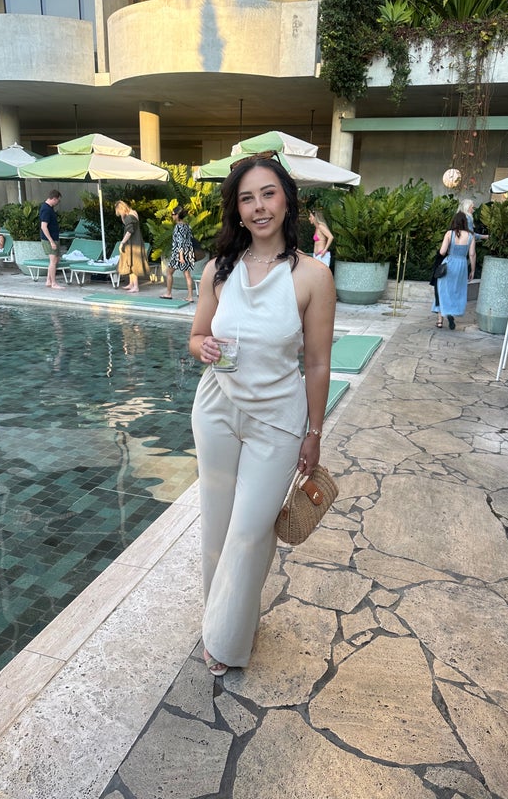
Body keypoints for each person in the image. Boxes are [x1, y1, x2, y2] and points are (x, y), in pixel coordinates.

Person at [188, 155, 336, 677]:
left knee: (251, 532)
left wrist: (314, 432)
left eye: (268, 194)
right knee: (216, 524)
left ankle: (226, 632)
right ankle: (225, 629)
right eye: (247, 198)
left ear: (287, 200)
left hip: (277, 421)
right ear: (237, 209)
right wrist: (203, 347)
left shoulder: (313, 276)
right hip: (217, 410)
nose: (259, 207)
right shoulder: (218, 269)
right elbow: (196, 336)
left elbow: (317, 363)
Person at [433, 211, 476, 330]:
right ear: (465, 222)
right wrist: (472, 270)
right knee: (456, 291)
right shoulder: (471, 236)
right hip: (462, 265)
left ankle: (440, 321)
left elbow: (442, 251)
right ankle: (451, 312)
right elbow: (472, 254)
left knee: (442, 290)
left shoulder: (449, 233)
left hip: (449, 263)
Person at [160, 206, 195, 302]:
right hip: (188, 251)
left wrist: (180, 256)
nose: (172, 216)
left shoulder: (178, 226)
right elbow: (190, 238)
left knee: (169, 272)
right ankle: (190, 296)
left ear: (177, 215)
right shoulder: (187, 225)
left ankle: (168, 293)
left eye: (173, 214)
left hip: (179, 253)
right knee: (187, 275)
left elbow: (180, 241)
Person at [115, 200, 150, 293]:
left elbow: (129, 231)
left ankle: (136, 286)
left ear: (121, 209)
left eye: (119, 211)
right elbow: (127, 224)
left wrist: (122, 243)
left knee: (133, 264)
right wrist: (123, 216)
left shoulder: (129, 217)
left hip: (133, 243)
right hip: (136, 241)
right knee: (130, 263)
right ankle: (131, 284)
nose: (119, 213)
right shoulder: (134, 212)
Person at [40, 189, 64, 290]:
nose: (58, 202)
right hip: (49, 239)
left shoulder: (49, 208)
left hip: (54, 237)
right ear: (54, 198)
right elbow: (43, 226)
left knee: (56, 259)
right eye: (58, 200)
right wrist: (51, 241)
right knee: (53, 261)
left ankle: (49, 280)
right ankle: (54, 283)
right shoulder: (46, 209)